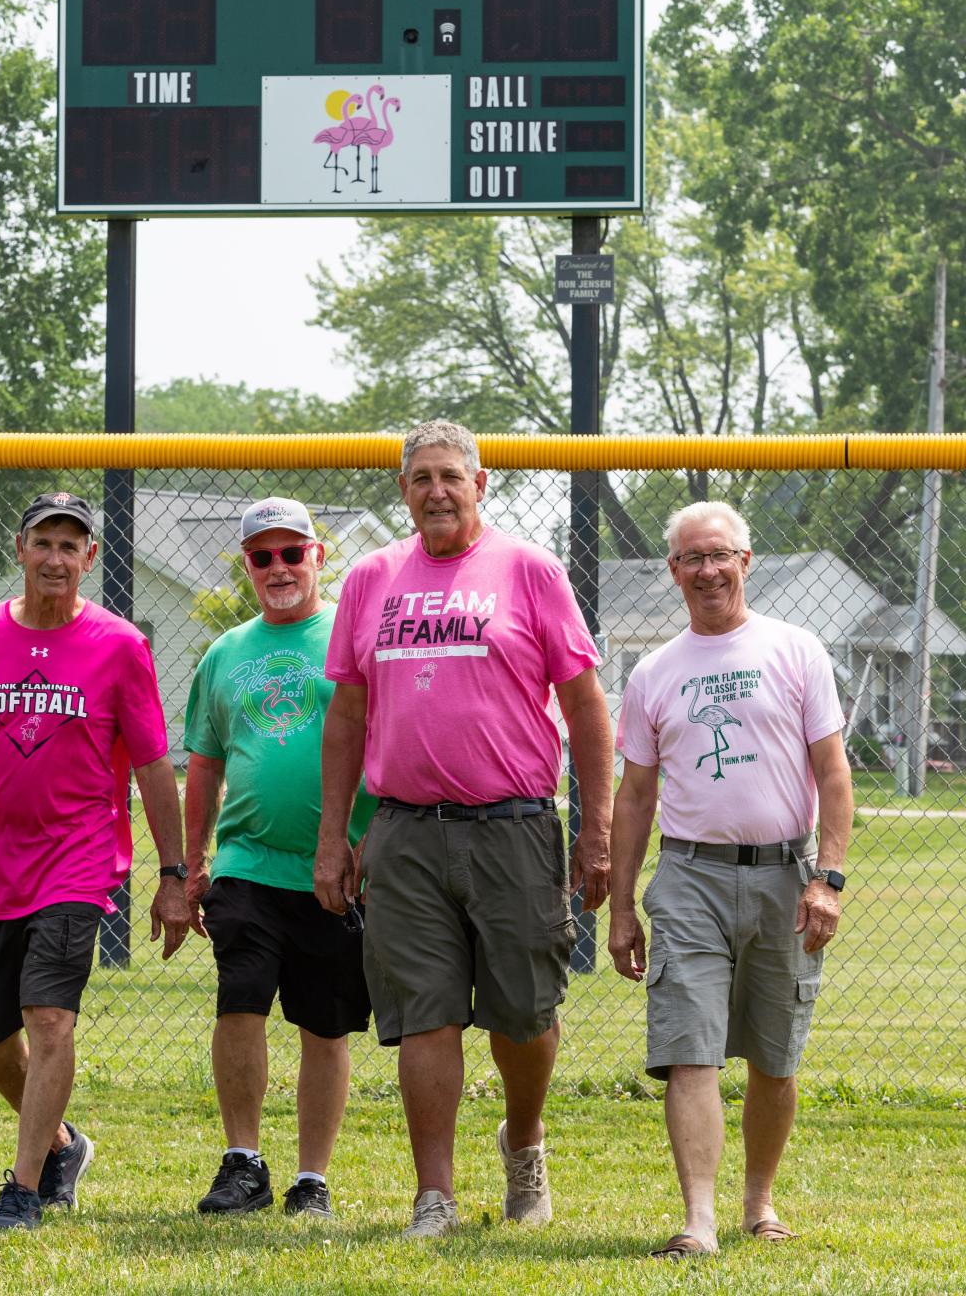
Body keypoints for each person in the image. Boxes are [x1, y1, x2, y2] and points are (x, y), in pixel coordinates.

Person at [314, 421, 613, 1238]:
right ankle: (434, 1195)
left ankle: (523, 1142)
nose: (436, 491)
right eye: (420, 479)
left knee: (524, 1011)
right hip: (405, 833)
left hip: (513, 824)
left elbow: (586, 706)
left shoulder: (529, 570)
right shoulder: (372, 578)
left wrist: (596, 832)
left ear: (481, 485)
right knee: (426, 1011)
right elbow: (346, 713)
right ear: (403, 490)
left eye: (451, 476)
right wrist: (334, 836)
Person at [0, 492, 189, 1232]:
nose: (56, 558)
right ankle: (60, 1145)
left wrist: (174, 876)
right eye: (43, 543)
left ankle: (22, 1190)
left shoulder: (121, 646)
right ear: (19, 549)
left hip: (78, 862)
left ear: (91, 558)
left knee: (50, 1015)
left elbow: (152, 765)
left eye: (71, 546)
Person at [608, 500, 854, 1259]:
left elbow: (832, 772)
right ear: (672, 570)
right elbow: (636, 795)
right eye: (691, 558)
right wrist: (621, 908)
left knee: (775, 1056)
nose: (707, 570)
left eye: (720, 555)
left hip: (786, 876)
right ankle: (700, 1220)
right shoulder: (654, 672)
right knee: (691, 1047)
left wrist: (829, 878)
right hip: (690, 878)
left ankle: (760, 1202)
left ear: (746, 561)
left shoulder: (795, 650)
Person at [184, 497, 376, 1219]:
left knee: (324, 1025)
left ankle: (311, 1177)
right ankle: (242, 1161)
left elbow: (383, 750)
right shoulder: (225, 653)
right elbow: (202, 764)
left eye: (292, 553)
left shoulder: (352, 643)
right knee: (240, 1003)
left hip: (335, 871)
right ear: (248, 566)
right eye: (262, 556)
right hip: (246, 864)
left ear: (318, 557)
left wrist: (366, 842)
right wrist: (191, 864)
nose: (279, 568)